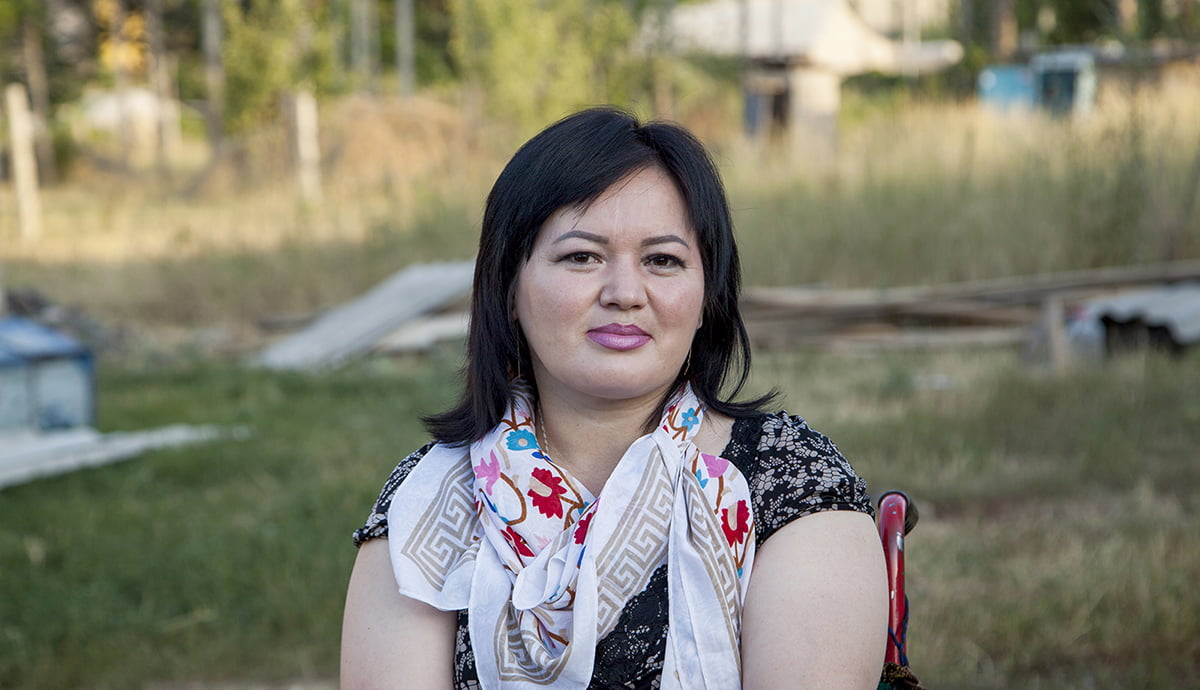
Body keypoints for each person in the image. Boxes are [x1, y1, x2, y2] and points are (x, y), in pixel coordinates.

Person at [341, 107, 887, 689]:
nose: (626, 293)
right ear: (507, 290)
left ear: (707, 297)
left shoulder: (786, 480)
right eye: (582, 256)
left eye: (663, 260)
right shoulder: (432, 498)